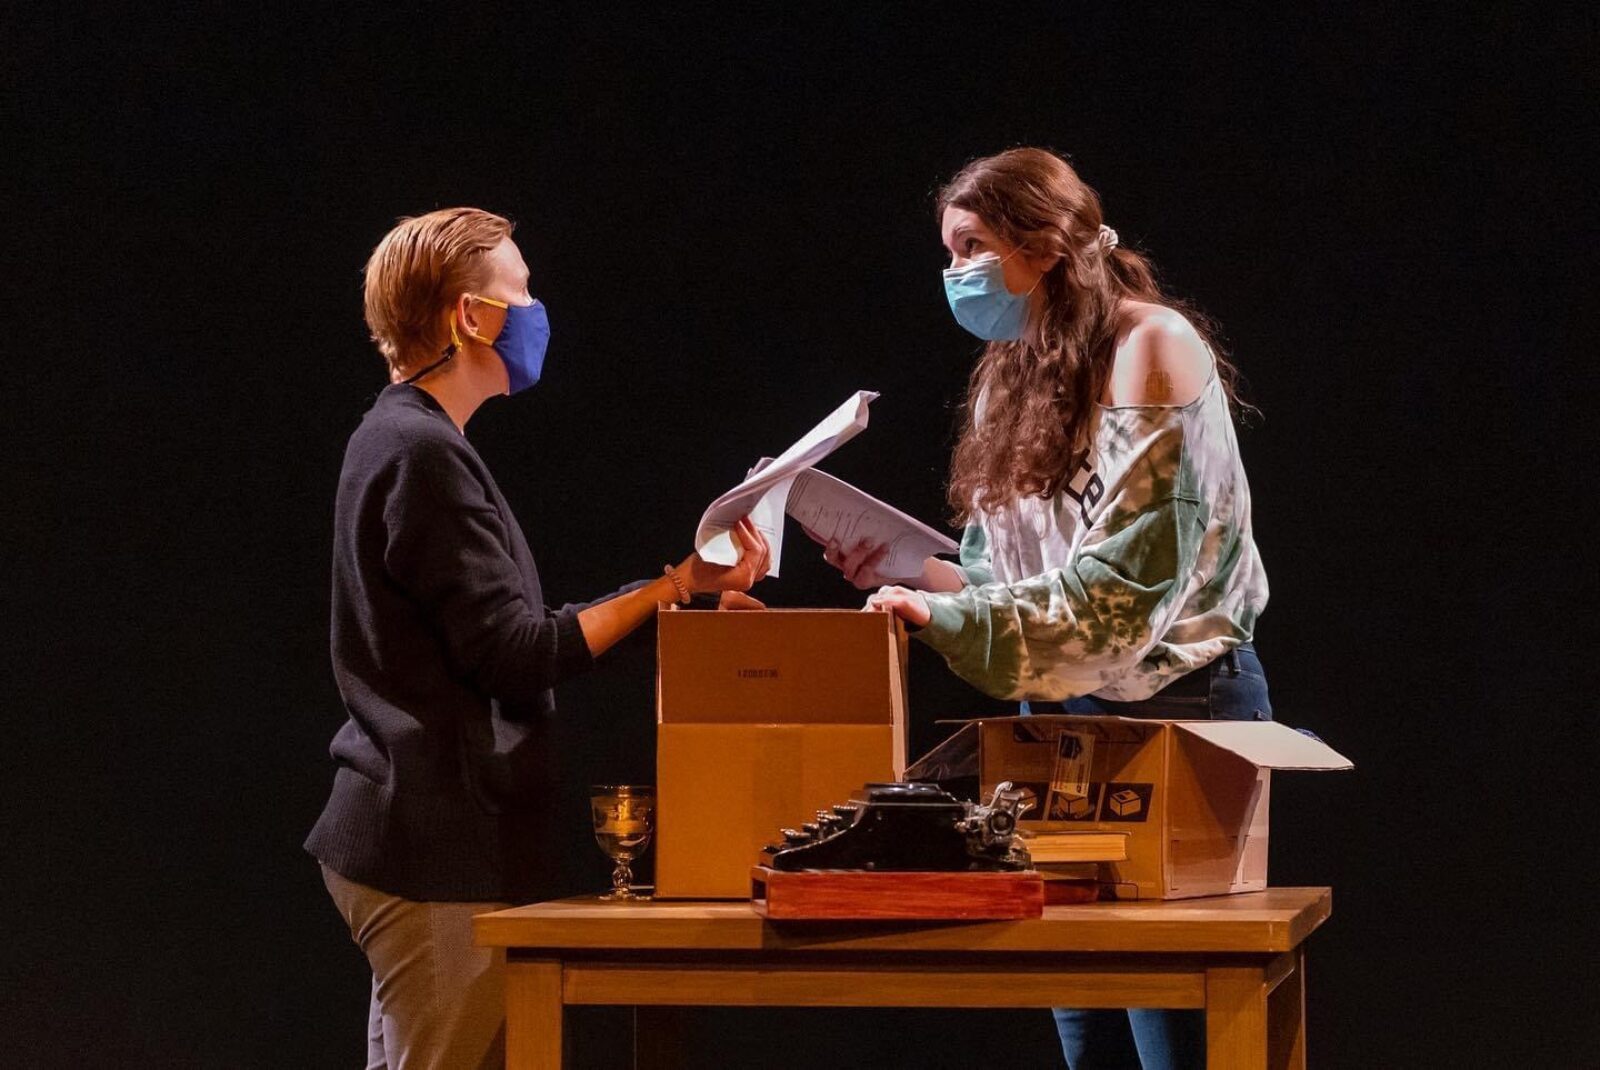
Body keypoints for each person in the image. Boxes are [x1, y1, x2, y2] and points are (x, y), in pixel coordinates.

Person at [814, 149, 1270, 1070]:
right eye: (947, 254)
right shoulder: (1009, 376)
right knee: (1082, 1029)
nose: (956, 276)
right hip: (1055, 714)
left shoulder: (1152, 344)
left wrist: (949, 620)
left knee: (1171, 1028)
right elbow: (998, 578)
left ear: (1046, 244)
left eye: (972, 247)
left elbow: (1122, 597)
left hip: (1172, 706)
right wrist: (910, 578)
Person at [304, 207, 770, 1070]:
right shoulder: (420, 453)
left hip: (420, 835)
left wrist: (682, 590)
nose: (536, 310)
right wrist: (672, 586)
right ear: (469, 316)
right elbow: (516, 654)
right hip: (431, 845)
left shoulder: (408, 438)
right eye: (521, 292)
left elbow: (509, 637)